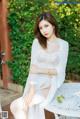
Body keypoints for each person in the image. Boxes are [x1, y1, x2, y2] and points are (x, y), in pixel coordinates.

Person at [10, 12, 69, 119]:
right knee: (15, 106)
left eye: (46, 26)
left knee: (21, 106)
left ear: (53, 26)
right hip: (35, 83)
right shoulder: (37, 42)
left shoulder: (63, 44)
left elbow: (60, 71)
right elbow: (32, 69)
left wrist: (40, 70)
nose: (44, 30)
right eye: (41, 28)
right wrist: (32, 89)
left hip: (51, 84)